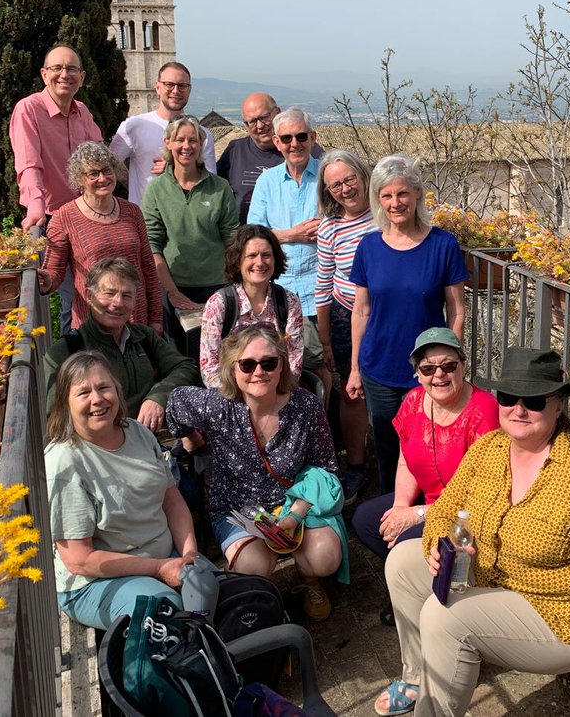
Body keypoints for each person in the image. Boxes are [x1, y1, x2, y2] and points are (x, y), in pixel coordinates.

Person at [377, 347, 570, 717]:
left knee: (446, 619)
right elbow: (446, 509)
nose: (519, 409)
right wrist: (440, 544)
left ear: (558, 406)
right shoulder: (490, 448)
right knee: (403, 563)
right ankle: (420, 675)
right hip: (499, 579)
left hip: (564, 615)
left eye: (533, 400)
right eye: (508, 397)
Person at [166, 326, 345, 622]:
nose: (258, 372)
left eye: (269, 363)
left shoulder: (305, 406)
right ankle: (264, 601)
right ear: (232, 369)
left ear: (281, 365)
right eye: (247, 364)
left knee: (324, 558)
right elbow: (175, 403)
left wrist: (294, 516)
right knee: (253, 568)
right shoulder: (218, 407)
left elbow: (326, 467)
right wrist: (188, 438)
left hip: (294, 502)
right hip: (238, 508)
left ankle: (310, 581)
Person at [46, 350, 199, 631]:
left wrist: (190, 554)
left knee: (214, 596)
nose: (97, 399)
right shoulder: (64, 462)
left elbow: (172, 500)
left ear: (117, 390)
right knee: (165, 613)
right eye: (84, 393)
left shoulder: (138, 432)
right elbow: (80, 560)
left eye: (104, 387)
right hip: (96, 582)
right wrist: (159, 568)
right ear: (65, 404)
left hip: (164, 558)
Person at [347, 154, 467, 494]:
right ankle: (391, 519)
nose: (395, 203)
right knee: (387, 450)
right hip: (379, 369)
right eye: (386, 196)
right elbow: (361, 312)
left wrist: (451, 364)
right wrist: (355, 368)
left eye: (402, 194)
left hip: (429, 371)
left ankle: (431, 520)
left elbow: (456, 310)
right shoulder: (369, 246)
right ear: (378, 201)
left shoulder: (442, 245)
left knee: (431, 450)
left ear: (416, 194)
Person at [352, 327, 497, 562]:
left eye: (448, 366)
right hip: (428, 499)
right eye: (428, 368)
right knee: (366, 520)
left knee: (403, 542)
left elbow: (483, 496)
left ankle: (432, 578)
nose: (439, 375)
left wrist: (417, 514)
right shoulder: (413, 401)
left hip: (466, 513)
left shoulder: (484, 411)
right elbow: (405, 462)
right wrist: (400, 508)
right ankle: (418, 579)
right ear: (418, 374)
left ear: (463, 366)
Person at [43, 258, 199, 433]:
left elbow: (186, 367)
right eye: (109, 293)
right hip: (97, 447)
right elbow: (55, 419)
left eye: (126, 295)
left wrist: (157, 397)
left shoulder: (143, 336)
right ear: (88, 296)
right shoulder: (66, 351)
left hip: (145, 439)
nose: (118, 303)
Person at [9, 44, 103, 330]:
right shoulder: (29, 109)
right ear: (44, 74)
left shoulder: (82, 111)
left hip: (87, 218)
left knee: (94, 294)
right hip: (52, 221)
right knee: (73, 299)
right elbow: (29, 164)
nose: (65, 75)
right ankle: (73, 365)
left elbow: (98, 156)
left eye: (72, 69)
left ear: (82, 76)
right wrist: (35, 207)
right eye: (57, 68)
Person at [39, 142, 162, 333]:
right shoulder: (64, 217)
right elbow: (54, 272)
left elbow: (147, 267)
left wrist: (156, 319)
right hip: (93, 325)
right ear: (79, 179)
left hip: (136, 321)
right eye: (93, 174)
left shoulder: (132, 211)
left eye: (106, 170)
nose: (102, 178)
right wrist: (45, 281)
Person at [142, 116, 240, 357]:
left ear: (201, 145)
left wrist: (235, 285)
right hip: (173, 286)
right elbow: (151, 243)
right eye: (180, 140)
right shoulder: (156, 188)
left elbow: (232, 238)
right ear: (168, 143)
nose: (187, 146)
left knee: (218, 356)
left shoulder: (219, 187)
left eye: (193, 140)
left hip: (217, 287)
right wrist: (172, 293)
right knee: (179, 358)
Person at [247, 108, 329, 395]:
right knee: (280, 367)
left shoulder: (328, 175)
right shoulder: (267, 182)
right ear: (277, 142)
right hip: (280, 292)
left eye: (301, 136)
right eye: (287, 138)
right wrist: (295, 234)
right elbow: (254, 235)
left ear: (312, 138)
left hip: (322, 290)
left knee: (321, 368)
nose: (295, 143)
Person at [315, 149, 377, 505]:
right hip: (344, 316)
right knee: (353, 393)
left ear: (363, 175)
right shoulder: (330, 227)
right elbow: (323, 285)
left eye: (349, 178)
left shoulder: (384, 213)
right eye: (335, 184)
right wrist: (325, 341)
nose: (344, 188)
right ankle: (356, 464)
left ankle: (392, 461)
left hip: (388, 318)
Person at [199, 225, 304, 387]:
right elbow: (209, 367)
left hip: (275, 394)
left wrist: (272, 397)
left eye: (266, 255)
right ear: (237, 260)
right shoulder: (219, 304)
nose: (260, 262)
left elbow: (294, 361)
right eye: (252, 255)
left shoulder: (289, 302)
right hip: (231, 396)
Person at [110, 61, 217, 205]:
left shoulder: (203, 134)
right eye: (169, 84)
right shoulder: (134, 126)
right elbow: (109, 165)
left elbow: (211, 181)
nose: (176, 91)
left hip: (187, 218)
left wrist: (177, 166)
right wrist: (131, 184)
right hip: (146, 219)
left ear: (189, 90)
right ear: (158, 87)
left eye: (182, 86)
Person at [217, 92, 323, 222]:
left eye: (264, 117)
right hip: (248, 236)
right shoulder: (235, 151)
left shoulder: (307, 150)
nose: (260, 125)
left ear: (277, 113)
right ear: (246, 125)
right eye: (253, 121)